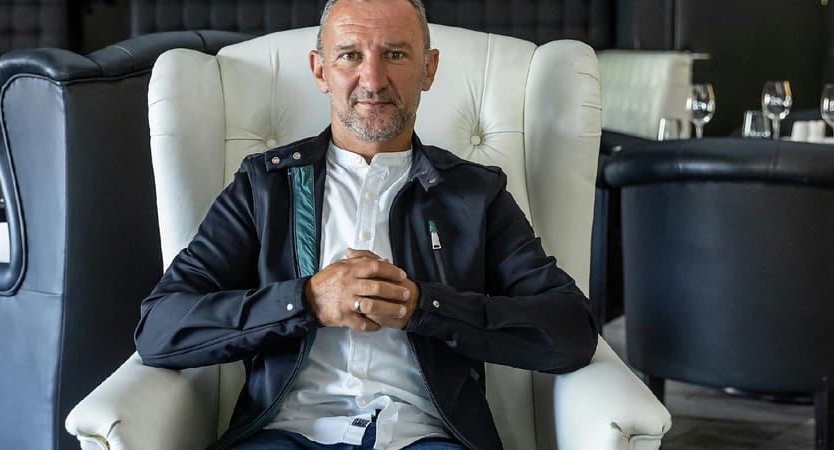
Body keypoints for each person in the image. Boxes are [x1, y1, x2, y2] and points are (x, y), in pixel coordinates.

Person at [133, 0, 598, 448]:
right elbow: (160, 328)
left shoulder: (475, 194)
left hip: (424, 437)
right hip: (283, 434)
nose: (373, 80)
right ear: (320, 70)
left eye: (395, 54)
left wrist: (425, 307)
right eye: (350, 55)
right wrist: (307, 300)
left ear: (429, 69)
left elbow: (571, 331)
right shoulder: (265, 187)